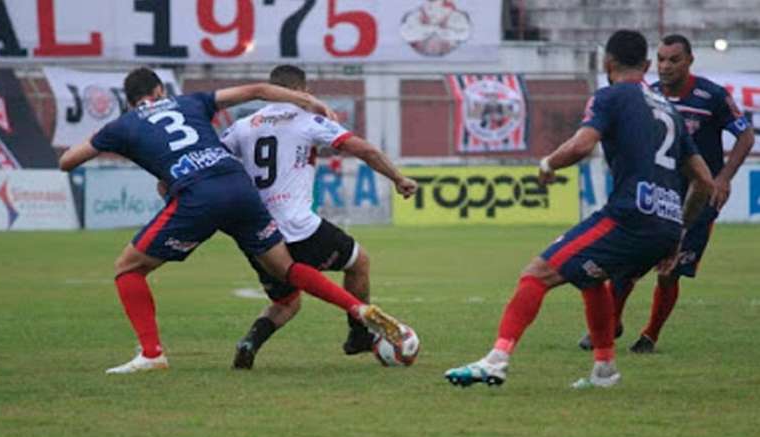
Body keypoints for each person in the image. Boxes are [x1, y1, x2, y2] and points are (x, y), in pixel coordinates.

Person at [59, 67, 411, 374]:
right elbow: (258, 91)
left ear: (132, 100)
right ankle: (357, 310)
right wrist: (313, 104)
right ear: (160, 92)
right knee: (297, 269)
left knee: (128, 268)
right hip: (241, 191)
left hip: (206, 196)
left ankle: (152, 353)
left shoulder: (129, 124)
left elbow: (68, 161)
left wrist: (119, 142)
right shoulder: (192, 101)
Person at [444, 30, 714, 389]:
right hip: (664, 225)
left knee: (536, 273)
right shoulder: (669, 110)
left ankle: (496, 360)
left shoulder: (610, 95)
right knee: (591, 278)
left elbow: (582, 144)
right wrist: (678, 232)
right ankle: (604, 370)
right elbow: (705, 182)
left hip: (630, 217)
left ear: (608, 63)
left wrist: (547, 164)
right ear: (648, 66)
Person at [219, 64, 418, 369]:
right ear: (302, 91)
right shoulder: (307, 120)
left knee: (286, 302)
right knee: (359, 262)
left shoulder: (242, 126)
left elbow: (212, 160)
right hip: (298, 227)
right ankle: (358, 336)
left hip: (257, 230)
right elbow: (363, 149)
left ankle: (249, 343)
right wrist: (398, 178)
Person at [577, 33, 755, 353]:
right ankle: (610, 324)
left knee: (669, 272)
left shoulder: (711, 96)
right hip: (660, 193)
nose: (666, 66)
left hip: (699, 197)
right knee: (627, 262)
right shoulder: (651, 96)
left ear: (689, 61)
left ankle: (650, 336)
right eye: (661, 59)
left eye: (674, 60)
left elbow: (745, 136)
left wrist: (724, 178)